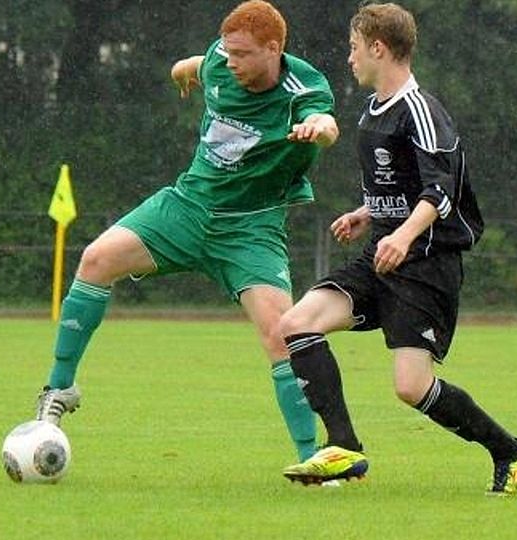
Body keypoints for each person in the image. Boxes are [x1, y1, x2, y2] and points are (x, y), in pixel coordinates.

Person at [33, 0, 339, 466]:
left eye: (241, 54)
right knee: (95, 260)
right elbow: (193, 64)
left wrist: (318, 127)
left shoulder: (303, 88)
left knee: (282, 336)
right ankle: (60, 388)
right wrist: (182, 74)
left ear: (273, 49)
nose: (229, 60)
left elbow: (328, 123)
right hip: (185, 207)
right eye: (227, 52)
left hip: (250, 229)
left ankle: (313, 458)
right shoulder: (219, 61)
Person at [278, 2, 517, 496]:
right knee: (296, 323)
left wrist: (403, 234)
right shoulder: (374, 108)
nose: (349, 58)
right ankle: (345, 448)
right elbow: (399, 185)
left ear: (378, 48)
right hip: (381, 254)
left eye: (354, 48)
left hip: (425, 266)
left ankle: (510, 450)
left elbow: (440, 191)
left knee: (411, 388)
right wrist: (369, 214)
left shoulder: (421, 109)